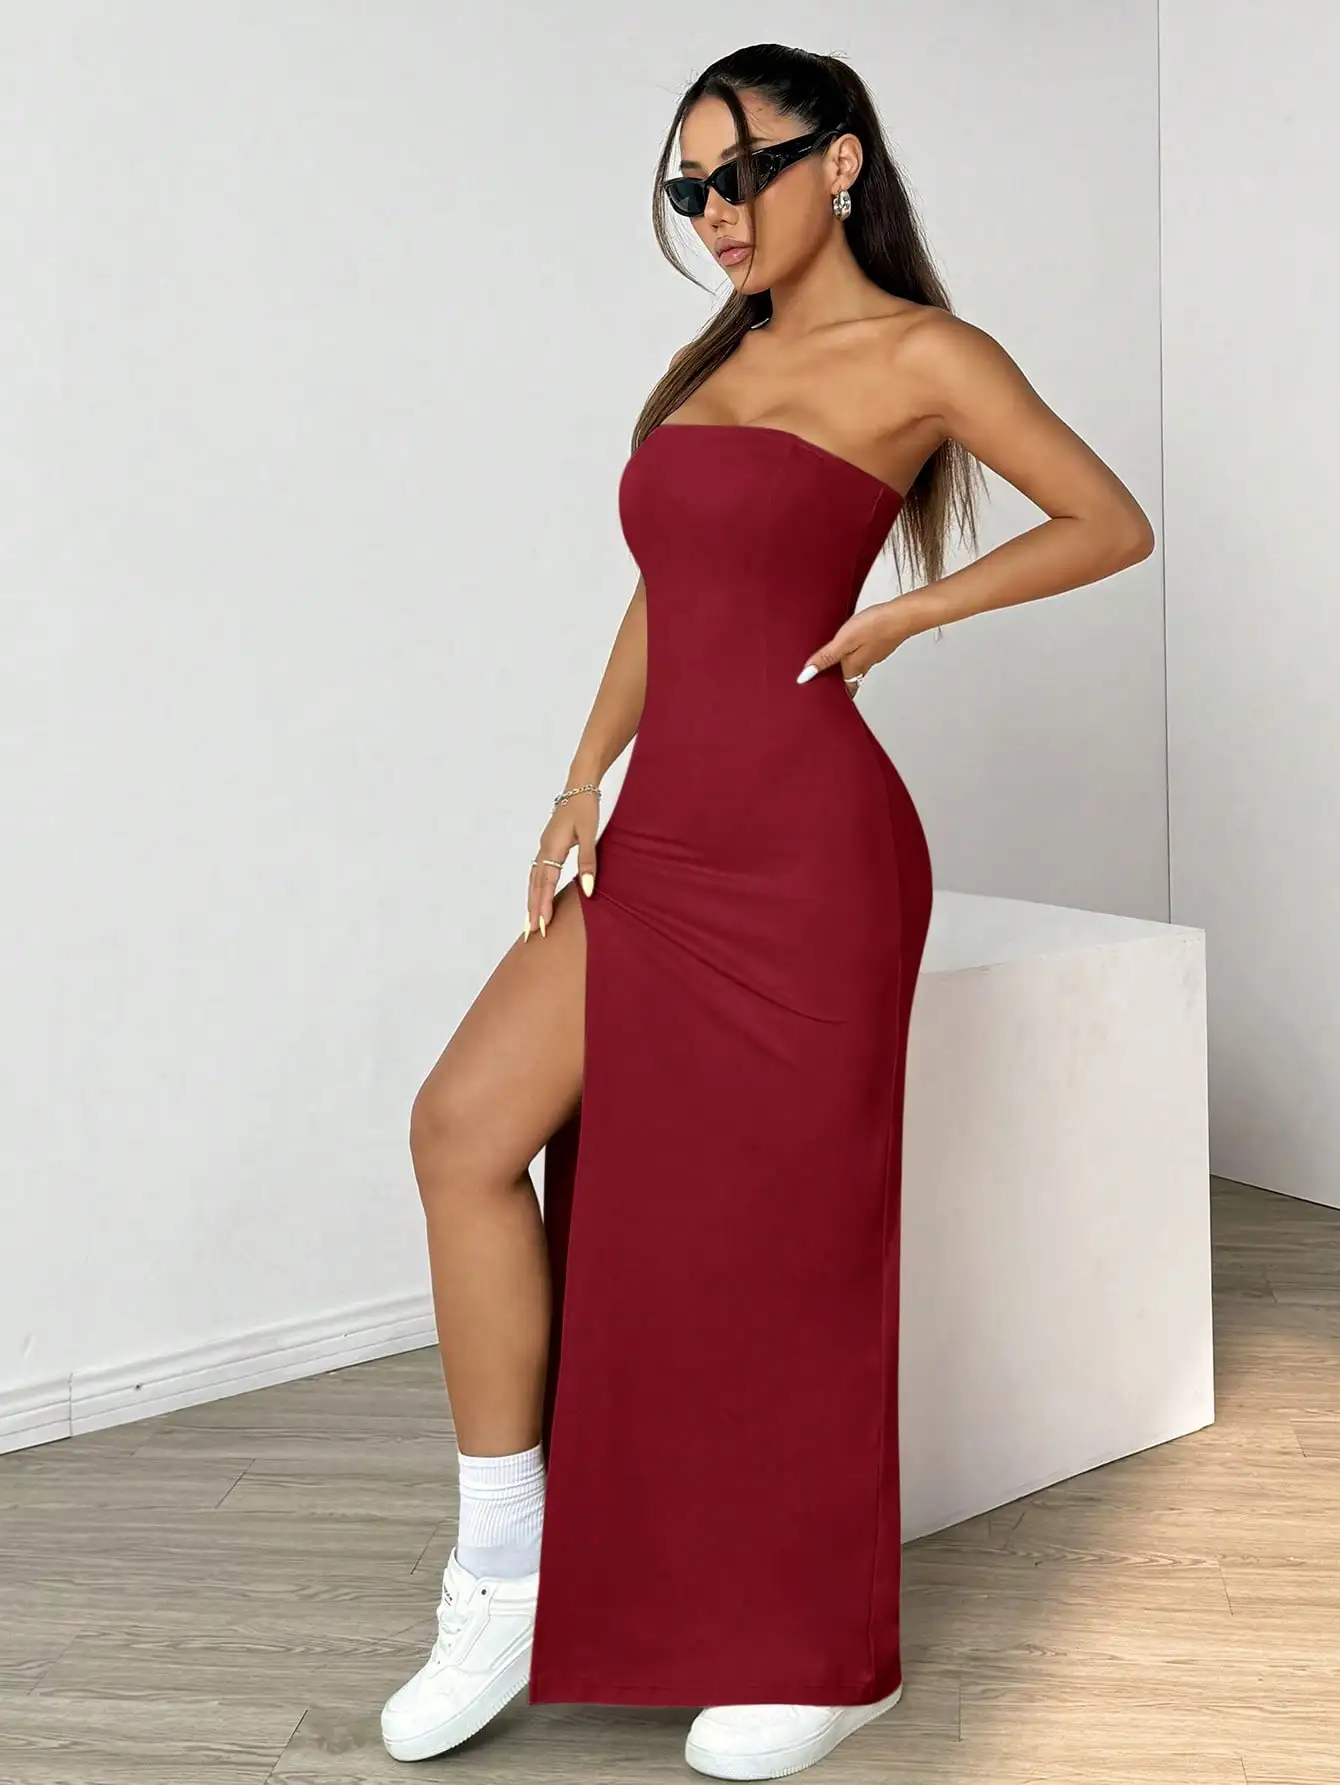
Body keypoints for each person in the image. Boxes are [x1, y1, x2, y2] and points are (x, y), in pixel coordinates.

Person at [379, 40, 1154, 1783]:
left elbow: (1111, 523)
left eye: (740, 173)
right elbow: (670, 590)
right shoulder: (715, 362)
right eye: (687, 188)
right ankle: (506, 1574)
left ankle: (825, 1647)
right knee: (462, 1131)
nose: (713, 212)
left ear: (842, 163)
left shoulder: (926, 356)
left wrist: (908, 614)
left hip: (814, 857)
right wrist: (581, 775)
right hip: (661, 843)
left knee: (786, 1251)